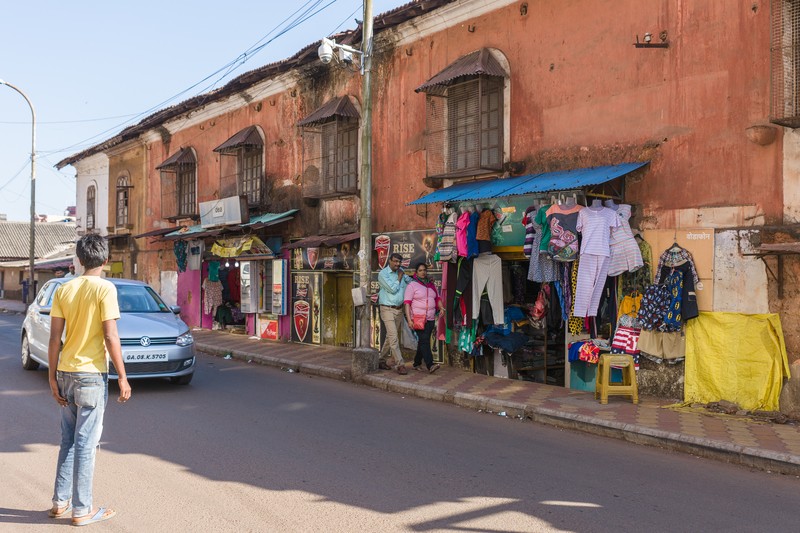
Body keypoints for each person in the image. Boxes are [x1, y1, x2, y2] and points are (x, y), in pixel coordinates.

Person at [47, 234, 131, 527]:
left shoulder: (63, 289)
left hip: (66, 373)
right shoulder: (105, 289)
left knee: (67, 440)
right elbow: (110, 336)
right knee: (86, 443)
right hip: (91, 376)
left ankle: (60, 503)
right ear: (106, 260)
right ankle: (82, 510)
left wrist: (52, 377)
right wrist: (122, 376)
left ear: (79, 260)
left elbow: (55, 338)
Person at [404, 262, 444, 373]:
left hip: (430, 318)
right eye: (420, 270)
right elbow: (407, 303)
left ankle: (416, 363)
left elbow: (437, 299)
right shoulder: (412, 285)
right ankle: (430, 365)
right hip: (417, 319)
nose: (423, 272)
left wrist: (441, 308)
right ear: (416, 272)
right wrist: (409, 319)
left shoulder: (431, 285)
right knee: (425, 340)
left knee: (422, 341)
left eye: (424, 270)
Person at [377, 253, 411, 375]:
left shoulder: (401, 273)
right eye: (395, 261)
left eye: (399, 262)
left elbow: (410, 282)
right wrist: (399, 278)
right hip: (387, 309)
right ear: (390, 261)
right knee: (394, 338)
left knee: (390, 337)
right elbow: (392, 289)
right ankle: (400, 364)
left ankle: (380, 359)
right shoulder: (383, 274)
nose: (397, 264)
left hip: (399, 310)